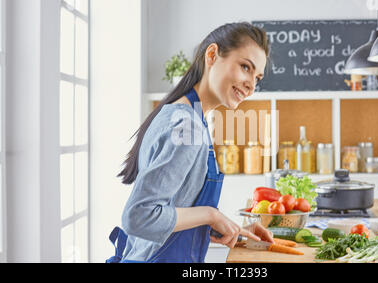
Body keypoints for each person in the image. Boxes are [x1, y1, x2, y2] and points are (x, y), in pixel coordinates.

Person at [106, 22, 273, 263]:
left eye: (257, 77)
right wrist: (210, 215)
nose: (251, 85)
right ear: (212, 55)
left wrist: (225, 226)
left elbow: (175, 204)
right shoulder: (188, 125)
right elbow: (139, 217)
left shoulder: (184, 114)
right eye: (245, 67)